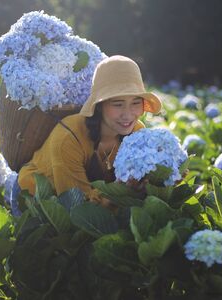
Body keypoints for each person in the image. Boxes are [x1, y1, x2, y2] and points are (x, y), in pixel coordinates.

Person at [17, 55, 162, 207]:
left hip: (99, 205)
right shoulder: (68, 138)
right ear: (99, 105)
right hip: (34, 201)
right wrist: (125, 191)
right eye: (118, 104)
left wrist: (162, 178)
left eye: (135, 103)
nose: (128, 114)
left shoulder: (137, 132)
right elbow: (78, 206)